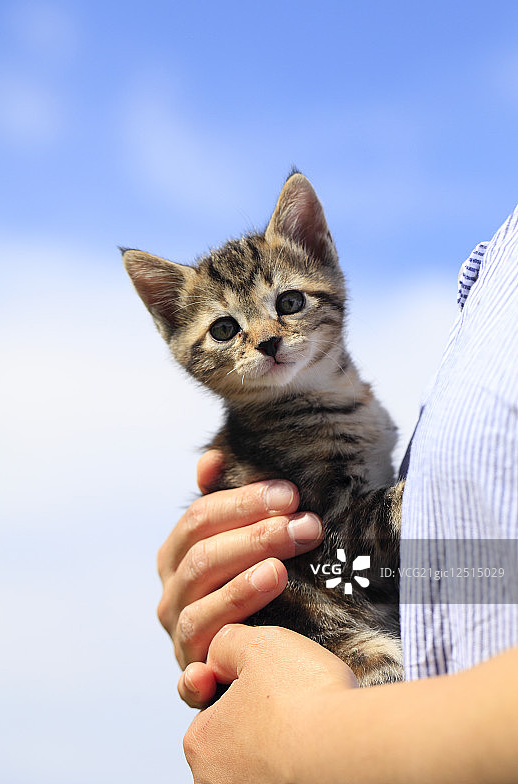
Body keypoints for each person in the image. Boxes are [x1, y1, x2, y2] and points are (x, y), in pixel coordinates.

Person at [157, 205, 518, 783]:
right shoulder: (267, 446)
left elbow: (355, 554)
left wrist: (307, 744)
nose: (267, 338)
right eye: (225, 330)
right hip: (350, 659)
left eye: (288, 302)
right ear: (172, 326)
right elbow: (347, 555)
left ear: (320, 256)